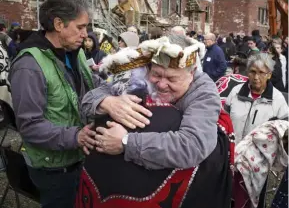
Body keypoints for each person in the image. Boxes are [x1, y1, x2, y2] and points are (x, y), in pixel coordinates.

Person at [78, 34, 232, 208]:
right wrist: (108, 102)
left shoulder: (203, 92)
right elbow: (87, 100)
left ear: (191, 73)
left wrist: (126, 142)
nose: (161, 84)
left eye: (172, 79)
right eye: (157, 74)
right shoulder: (137, 72)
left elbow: (193, 145)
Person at [8, 1, 104, 207]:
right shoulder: (29, 66)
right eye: (80, 27)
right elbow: (30, 126)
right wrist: (76, 136)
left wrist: (111, 93)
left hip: (78, 159)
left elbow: (91, 84)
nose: (85, 35)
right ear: (59, 24)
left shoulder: (74, 53)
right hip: (54, 170)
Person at [224, 53, 288, 144]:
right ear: (247, 72)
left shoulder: (277, 99)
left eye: (261, 73)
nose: (256, 77)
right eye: (252, 72)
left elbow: (285, 131)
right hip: (232, 150)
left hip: (259, 156)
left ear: (269, 75)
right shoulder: (236, 92)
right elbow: (224, 120)